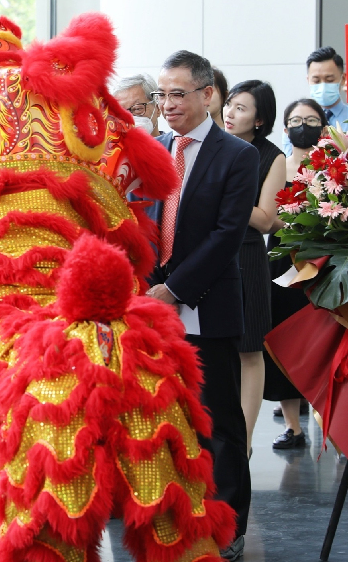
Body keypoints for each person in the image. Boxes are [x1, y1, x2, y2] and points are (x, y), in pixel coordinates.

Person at [145, 50, 257, 559]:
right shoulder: (153, 150)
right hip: (153, 305)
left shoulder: (237, 155)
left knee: (219, 422)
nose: (167, 104)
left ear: (207, 94)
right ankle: (177, 517)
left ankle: (229, 525)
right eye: (161, 95)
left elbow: (227, 235)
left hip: (205, 304)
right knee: (166, 419)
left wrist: (176, 290)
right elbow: (145, 222)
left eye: (178, 94)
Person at [222, 81, 287, 457]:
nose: (230, 113)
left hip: (247, 256)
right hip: (212, 253)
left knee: (250, 350)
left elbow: (264, 220)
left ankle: (244, 442)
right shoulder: (216, 145)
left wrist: (222, 197)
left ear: (259, 120)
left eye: (241, 108)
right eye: (230, 104)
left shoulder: (271, 157)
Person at [264, 98, 327, 448]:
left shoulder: (334, 169)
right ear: (286, 129)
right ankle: (293, 426)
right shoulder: (278, 167)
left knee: (323, 339)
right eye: (297, 120)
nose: (304, 126)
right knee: (285, 338)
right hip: (282, 259)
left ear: (324, 128)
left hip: (324, 261)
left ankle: (330, 423)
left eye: (312, 120)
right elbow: (267, 215)